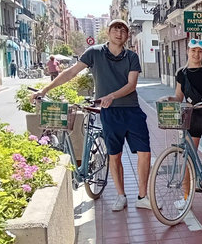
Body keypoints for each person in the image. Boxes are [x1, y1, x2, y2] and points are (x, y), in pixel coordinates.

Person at [33, 19, 151, 212]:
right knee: (115, 155)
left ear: (127, 35)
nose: (119, 33)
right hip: (109, 113)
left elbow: (131, 85)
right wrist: (45, 89)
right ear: (108, 31)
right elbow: (71, 73)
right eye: (116, 29)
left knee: (145, 152)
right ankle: (121, 196)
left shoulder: (132, 56)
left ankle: (142, 196)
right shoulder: (94, 53)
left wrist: (112, 96)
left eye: (123, 30)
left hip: (131, 109)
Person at [160, 39, 202, 213]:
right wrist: (169, 99)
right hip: (190, 117)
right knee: (187, 159)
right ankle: (185, 197)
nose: (196, 54)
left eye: (200, 52)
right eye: (193, 51)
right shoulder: (181, 73)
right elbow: (178, 97)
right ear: (188, 51)